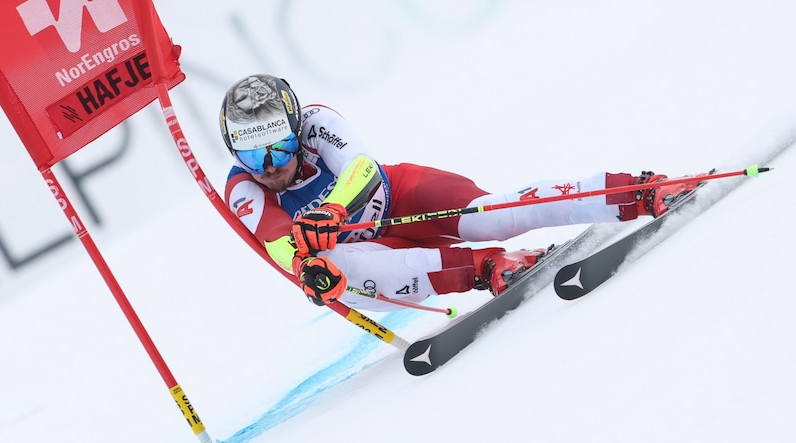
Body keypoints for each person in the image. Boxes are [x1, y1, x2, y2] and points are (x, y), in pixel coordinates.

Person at [220, 74, 698, 312]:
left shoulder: (318, 123)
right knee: (348, 266)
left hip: (401, 198)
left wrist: (332, 209)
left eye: (280, 147)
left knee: (493, 215)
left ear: (296, 126)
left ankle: (639, 192)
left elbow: (362, 167)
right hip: (367, 252)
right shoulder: (242, 189)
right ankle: (489, 267)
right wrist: (306, 268)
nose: (271, 167)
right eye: (251, 154)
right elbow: (279, 241)